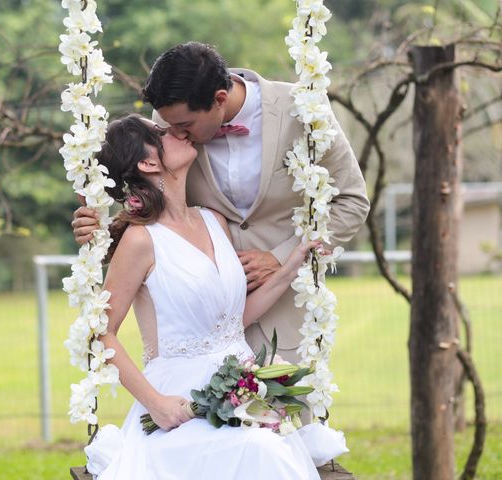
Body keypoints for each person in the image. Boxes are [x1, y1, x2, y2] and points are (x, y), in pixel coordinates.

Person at [83, 114, 347, 479]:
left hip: (244, 388)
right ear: (148, 162)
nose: (175, 131)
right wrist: (155, 403)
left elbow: (233, 320)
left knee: (266, 449)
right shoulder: (141, 241)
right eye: (162, 133)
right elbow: (100, 332)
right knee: (259, 453)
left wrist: (289, 268)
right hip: (181, 400)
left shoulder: (212, 220)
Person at [73, 42, 370, 363]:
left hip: (286, 321)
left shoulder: (303, 109)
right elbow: (158, 199)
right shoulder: (172, 122)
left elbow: (352, 201)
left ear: (220, 100)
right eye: (168, 127)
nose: (176, 134)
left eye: (184, 127)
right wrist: (101, 230)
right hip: (200, 328)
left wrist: (281, 258)